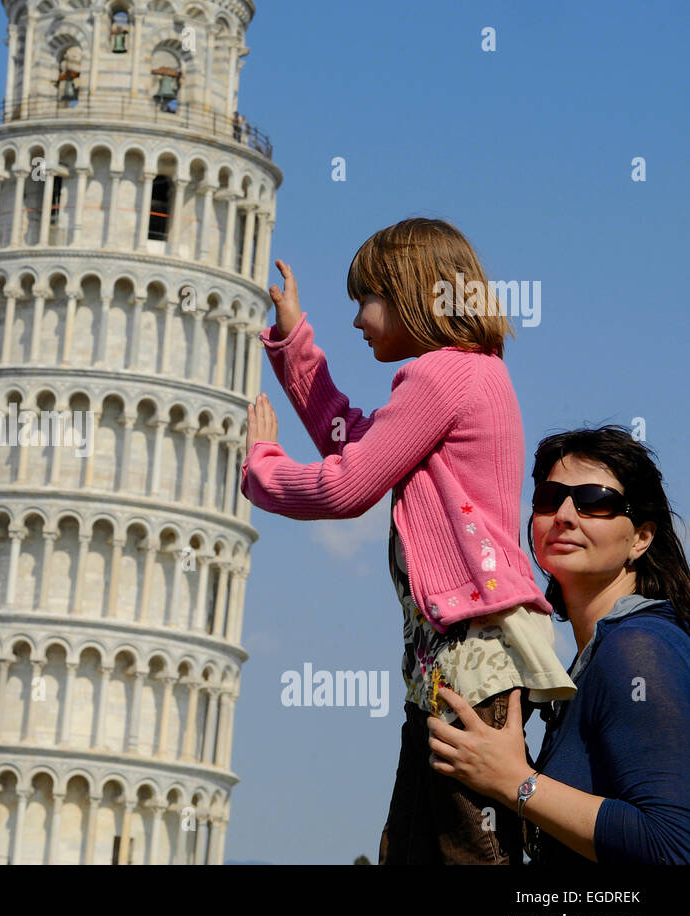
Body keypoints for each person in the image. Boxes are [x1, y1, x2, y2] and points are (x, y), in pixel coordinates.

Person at [242, 218, 575, 863]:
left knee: (466, 854)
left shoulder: (444, 376)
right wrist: (293, 343)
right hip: (448, 663)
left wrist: (262, 470)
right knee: (422, 850)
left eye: (365, 300)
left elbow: (348, 485)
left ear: (412, 295)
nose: (359, 321)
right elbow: (359, 442)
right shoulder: (472, 376)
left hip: (467, 663)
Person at [427, 426, 690, 863]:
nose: (565, 514)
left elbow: (672, 844)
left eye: (595, 501)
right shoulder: (592, 659)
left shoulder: (639, 647)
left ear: (641, 538)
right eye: (549, 499)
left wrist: (516, 782)